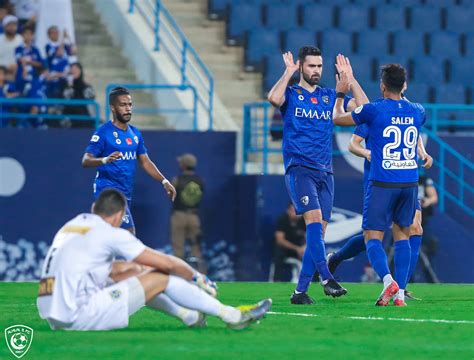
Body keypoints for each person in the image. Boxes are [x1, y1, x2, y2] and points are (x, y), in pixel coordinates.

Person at [36, 188, 272, 331]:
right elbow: (166, 263)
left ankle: (190, 317)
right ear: (119, 215)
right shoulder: (111, 232)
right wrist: (197, 277)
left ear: (94, 208)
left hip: (54, 315)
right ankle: (232, 316)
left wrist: (136, 268)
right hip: (79, 315)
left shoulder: (75, 224)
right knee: (160, 277)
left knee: (131, 274)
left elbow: (108, 271)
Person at [267, 47, 369, 305]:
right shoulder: (291, 94)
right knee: (313, 223)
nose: (316, 71)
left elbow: (365, 108)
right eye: (311, 66)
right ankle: (326, 278)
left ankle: (300, 292)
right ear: (301, 66)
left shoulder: (328, 96)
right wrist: (287, 73)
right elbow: (272, 98)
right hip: (300, 169)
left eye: (320, 66)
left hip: (326, 172)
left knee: (318, 236)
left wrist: (352, 80)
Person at [333, 63, 426, 306]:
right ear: (403, 85)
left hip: (383, 182)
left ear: (383, 86)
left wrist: (341, 92)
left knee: (372, 237)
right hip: (409, 182)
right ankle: (400, 295)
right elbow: (412, 130)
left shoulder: (373, 111)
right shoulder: (418, 110)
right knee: (403, 235)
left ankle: (388, 282)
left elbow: (337, 118)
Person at [82, 86, 176, 235]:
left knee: (109, 235)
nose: (128, 109)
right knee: (128, 233)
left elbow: (145, 161)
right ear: (113, 108)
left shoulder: (135, 133)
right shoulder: (103, 132)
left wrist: (164, 181)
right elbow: (86, 160)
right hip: (108, 190)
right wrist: (105, 160)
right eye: (123, 105)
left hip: (125, 193)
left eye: (130, 104)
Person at [170, 153, 205, 272]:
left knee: (178, 248)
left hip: (179, 215)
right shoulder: (200, 181)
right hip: (194, 217)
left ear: (183, 166)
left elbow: (171, 196)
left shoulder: (177, 180)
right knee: (196, 248)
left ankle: (178, 275)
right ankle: (200, 276)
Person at [272, 203, 306, 282]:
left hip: (299, 249)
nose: (297, 213)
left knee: (312, 254)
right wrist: (296, 249)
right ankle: (277, 280)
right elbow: (280, 240)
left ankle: (313, 281)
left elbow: (309, 237)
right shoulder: (282, 220)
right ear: (288, 211)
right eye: (294, 211)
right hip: (285, 249)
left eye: (298, 211)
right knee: (278, 252)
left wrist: (304, 248)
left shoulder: (303, 221)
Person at [62, 62, 95, 127]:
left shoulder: (86, 86)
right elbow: (65, 98)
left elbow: (92, 98)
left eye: (76, 69)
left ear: (80, 71)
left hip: (85, 118)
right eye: (72, 69)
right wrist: (70, 86)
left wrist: (88, 85)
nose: (74, 71)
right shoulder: (66, 85)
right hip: (70, 118)